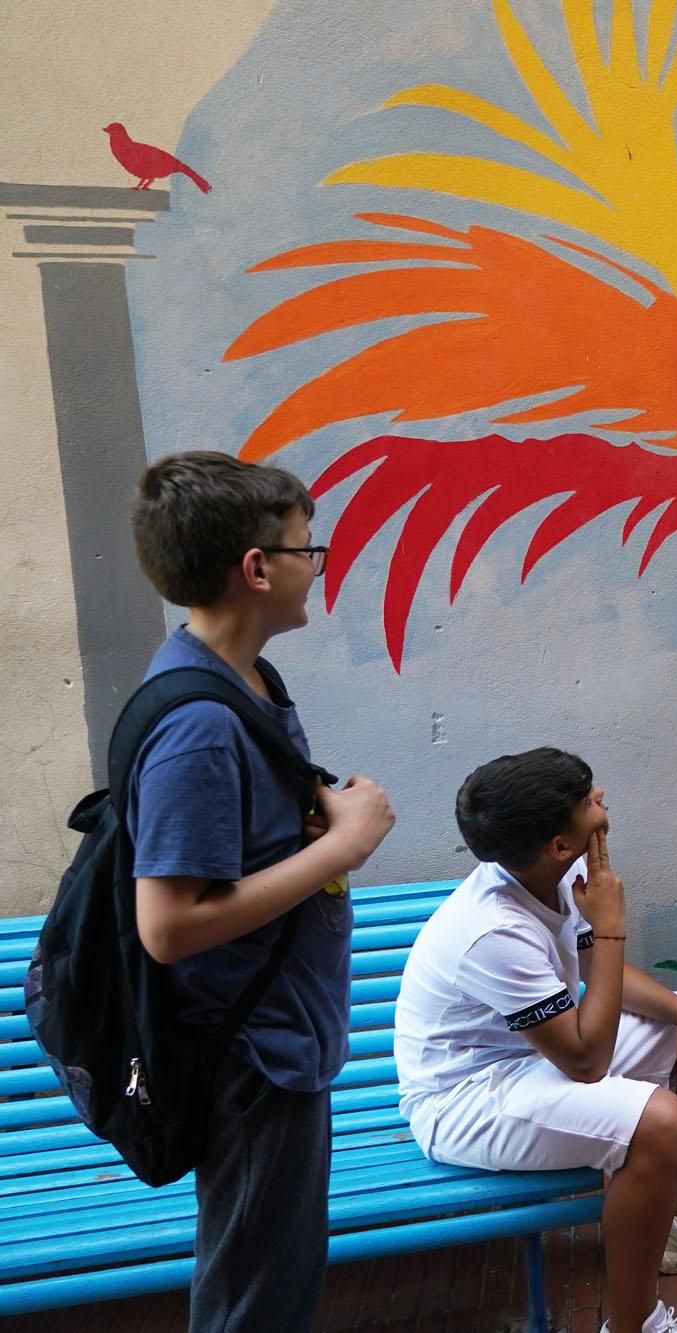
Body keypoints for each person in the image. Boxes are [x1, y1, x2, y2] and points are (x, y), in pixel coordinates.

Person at [127, 451, 397, 1330]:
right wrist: (346, 843)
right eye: (305, 550)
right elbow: (167, 925)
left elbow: (236, 851)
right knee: (255, 1298)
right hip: (250, 1055)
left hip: (282, 1035)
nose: (315, 565)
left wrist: (313, 823)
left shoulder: (247, 682)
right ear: (256, 568)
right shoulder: (198, 725)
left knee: (278, 1279)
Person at [394, 748, 677, 1333]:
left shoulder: (559, 871)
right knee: (658, 1125)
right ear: (558, 842)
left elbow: (597, 980)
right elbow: (586, 1060)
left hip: (537, 1053)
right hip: (466, 1098)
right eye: (587, 799)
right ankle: (632, 1325)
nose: (600, 798)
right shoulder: (492, 931)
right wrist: (610, 923)